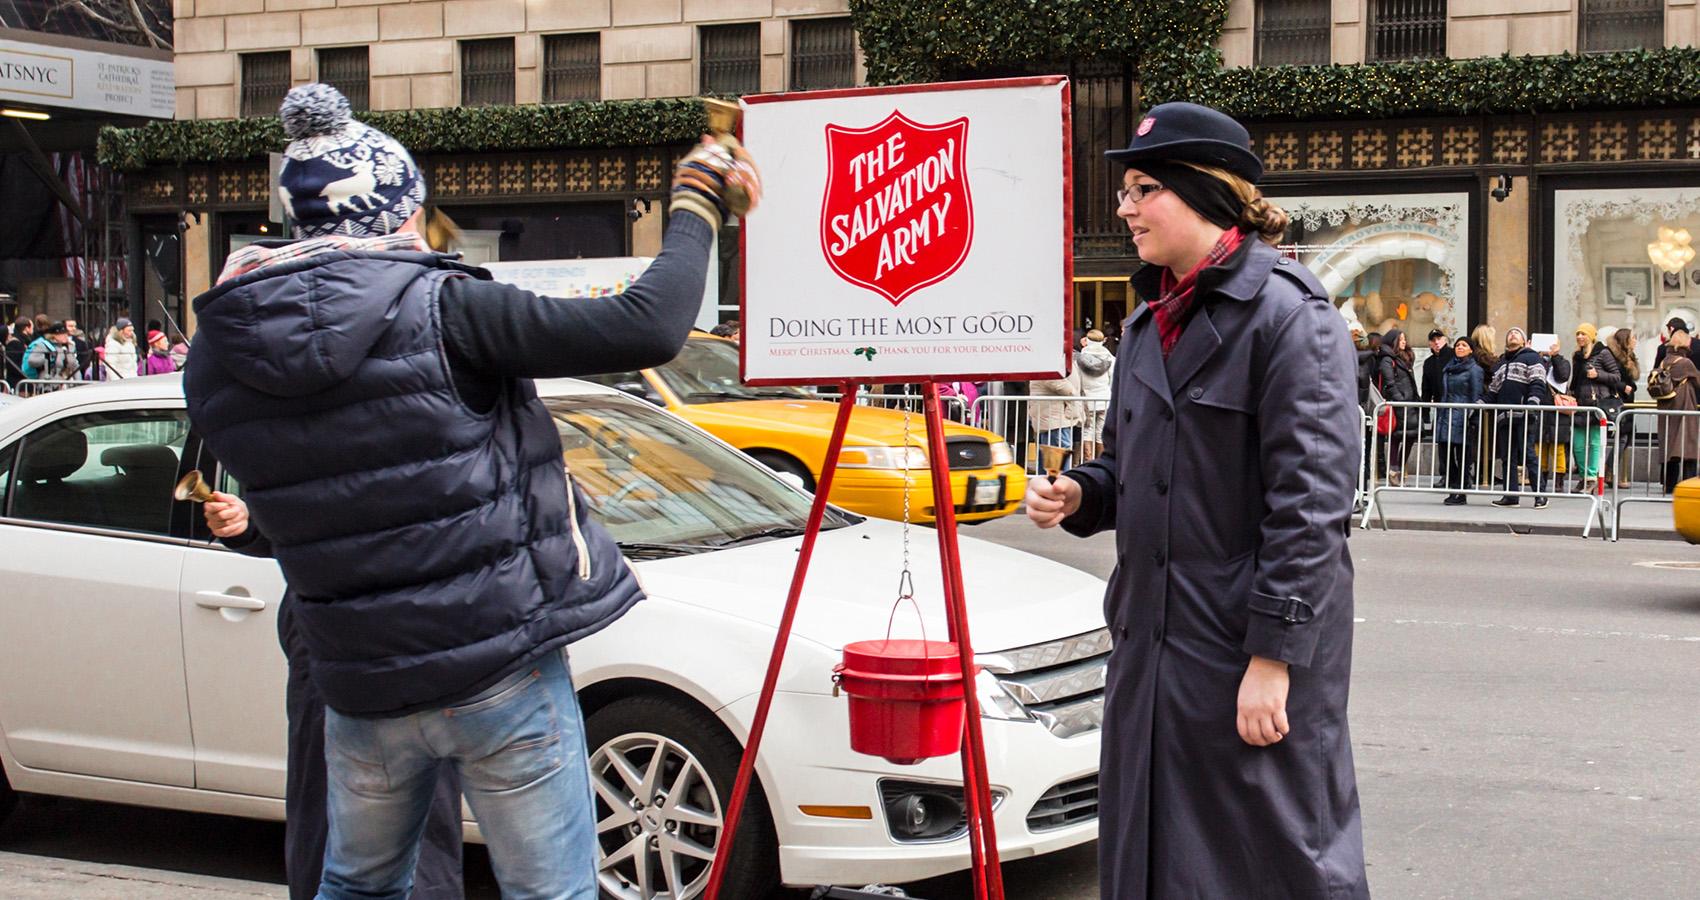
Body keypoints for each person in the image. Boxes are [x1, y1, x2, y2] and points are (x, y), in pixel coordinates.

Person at [183, 83, 758, 899]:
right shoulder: (444, 309)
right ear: (400, 215)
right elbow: (647, 325)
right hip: (497, 668)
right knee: (550, 891)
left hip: (359, 681)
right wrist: (699, 200)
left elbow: (301, 510)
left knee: (357, 886)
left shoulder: (215, 358)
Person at [1025, 101, 1368, 899]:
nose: (1125, 207)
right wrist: (1082, 491)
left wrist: (1272, 660)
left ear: (1202, 196)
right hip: (1153, 645)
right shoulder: (1147, 323)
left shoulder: (1291, 316)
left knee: (1275, 861)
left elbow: (1311, 510)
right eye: (1126, 190)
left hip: (1243, 653)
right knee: (1152, 859)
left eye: (1143, 189)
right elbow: (1131, 466)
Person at [200, 492, 467, 900]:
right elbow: (308, 520)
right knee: (328, 818)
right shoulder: (328, 446)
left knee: (424, 825)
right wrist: (250, 525)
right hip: (333, 649)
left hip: (422, 646)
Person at [1485, 327, 1552, 508]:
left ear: (1524, 341)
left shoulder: (1531, 357)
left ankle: (1540, 494)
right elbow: (1493, 390)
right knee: (1508, 457)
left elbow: (1538, 382)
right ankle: (1511, 495)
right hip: (1505, 417)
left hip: (1524, 415)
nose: (1512, 334)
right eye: (1509, 333)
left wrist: (1532, 403)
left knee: (1529, 454)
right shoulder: (1501, 363)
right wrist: (1479, 404)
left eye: (1517, 333)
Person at [1568, 323, 1621, 494]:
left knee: (1595, 442)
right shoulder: (1577, 356)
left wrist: (1598, 375)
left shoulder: (1603, 353)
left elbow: (1616, 377)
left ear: (1591, 336)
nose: (1580, 337)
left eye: (1583, 333)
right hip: (1581, 404)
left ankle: (1592, 478)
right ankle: (1584, 476)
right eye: (1578, 334)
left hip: (1598, 404)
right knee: (1577, 444)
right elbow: (1575, 381)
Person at [1438, 336, 1484, 505]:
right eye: (1457, 345)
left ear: (1471, 350)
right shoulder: (1449, 367)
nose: (1460, 347)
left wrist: (1474, 418)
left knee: (1462, 456)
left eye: (1464, 345)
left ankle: (1461, 490)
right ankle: (1453, 487)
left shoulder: (1474, 370)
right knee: (1446, 455)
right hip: (1446, 415)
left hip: (1463, 416)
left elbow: (1476, 395)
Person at [1655, 330, 1700, 492]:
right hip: (1684, 406)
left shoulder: (1664, 362)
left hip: (1666, 407)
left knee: (1669, 446)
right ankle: (1689, 485)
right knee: (1688, 446)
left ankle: (1669, 484)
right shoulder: (1685, 363)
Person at [1374, 327, 1418, 485]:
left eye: (1405, 339)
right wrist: (1400, 399)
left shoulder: (1404, 358)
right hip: (1399, 404)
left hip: (1409, 403)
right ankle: (1393, 470)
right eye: (1401, 339)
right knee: (1398, 436)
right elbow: (1390, 383)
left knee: (1411, 434)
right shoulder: (1387, 359)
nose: (1404, 342)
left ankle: (1397, 468)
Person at [1533, 337, 1571, 498]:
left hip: (1557, 410)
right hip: (1540, 408)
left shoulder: (1562, 361)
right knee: (1539, 446)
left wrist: (1555, 356)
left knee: (1558, 447)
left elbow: (1563, 375)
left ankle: (1559, 480)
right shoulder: (1535, 361)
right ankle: (1540, 479)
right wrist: (1532, 353)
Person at [1027, 369, 1083, 467]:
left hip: (1051, 417)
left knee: (1047, 462)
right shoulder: (1049, 364)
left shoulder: (1044, 363)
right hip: (1055, 419)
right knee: (1058, 461)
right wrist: (1074, 391)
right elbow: (1061, 386)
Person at [1075, 329, 1115, 460]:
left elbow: (1078, 380)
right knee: (1100, 432)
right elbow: (1113, 380)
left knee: (1087, 431)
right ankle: (1100, 461)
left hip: (1087, 399)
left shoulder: (1079, 360)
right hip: (1104, 399)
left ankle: (1088, 461)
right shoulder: (1110, 359)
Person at [1607, 327, 1640, 488]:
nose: (1635, 340)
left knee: (1626, 437)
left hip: (1628, 401)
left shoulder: (1630, 357)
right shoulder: (1613, 357)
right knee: (1622, 438)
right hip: (1618, 401)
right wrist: (1623, 387)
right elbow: (1610, 377)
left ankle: (1610, 472)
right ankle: (1608, 471)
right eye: (1633, 338)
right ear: (1626, 340)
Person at [1420, 327, 1448, 400]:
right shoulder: (1428, 362)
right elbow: (1426, 389)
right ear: (1430, 344)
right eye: (1433, 340)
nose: (1436, 342)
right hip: (1438, 403)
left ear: (1445, 340)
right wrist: (1425, 409)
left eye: (1439, 339)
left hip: (1455, 404)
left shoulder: (1453, 356)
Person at [3, 317, 30, 388]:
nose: (10, 336)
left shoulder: (22, 341)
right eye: (9, 334)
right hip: (17, 382)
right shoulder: (15, 343)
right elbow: (13, 365)